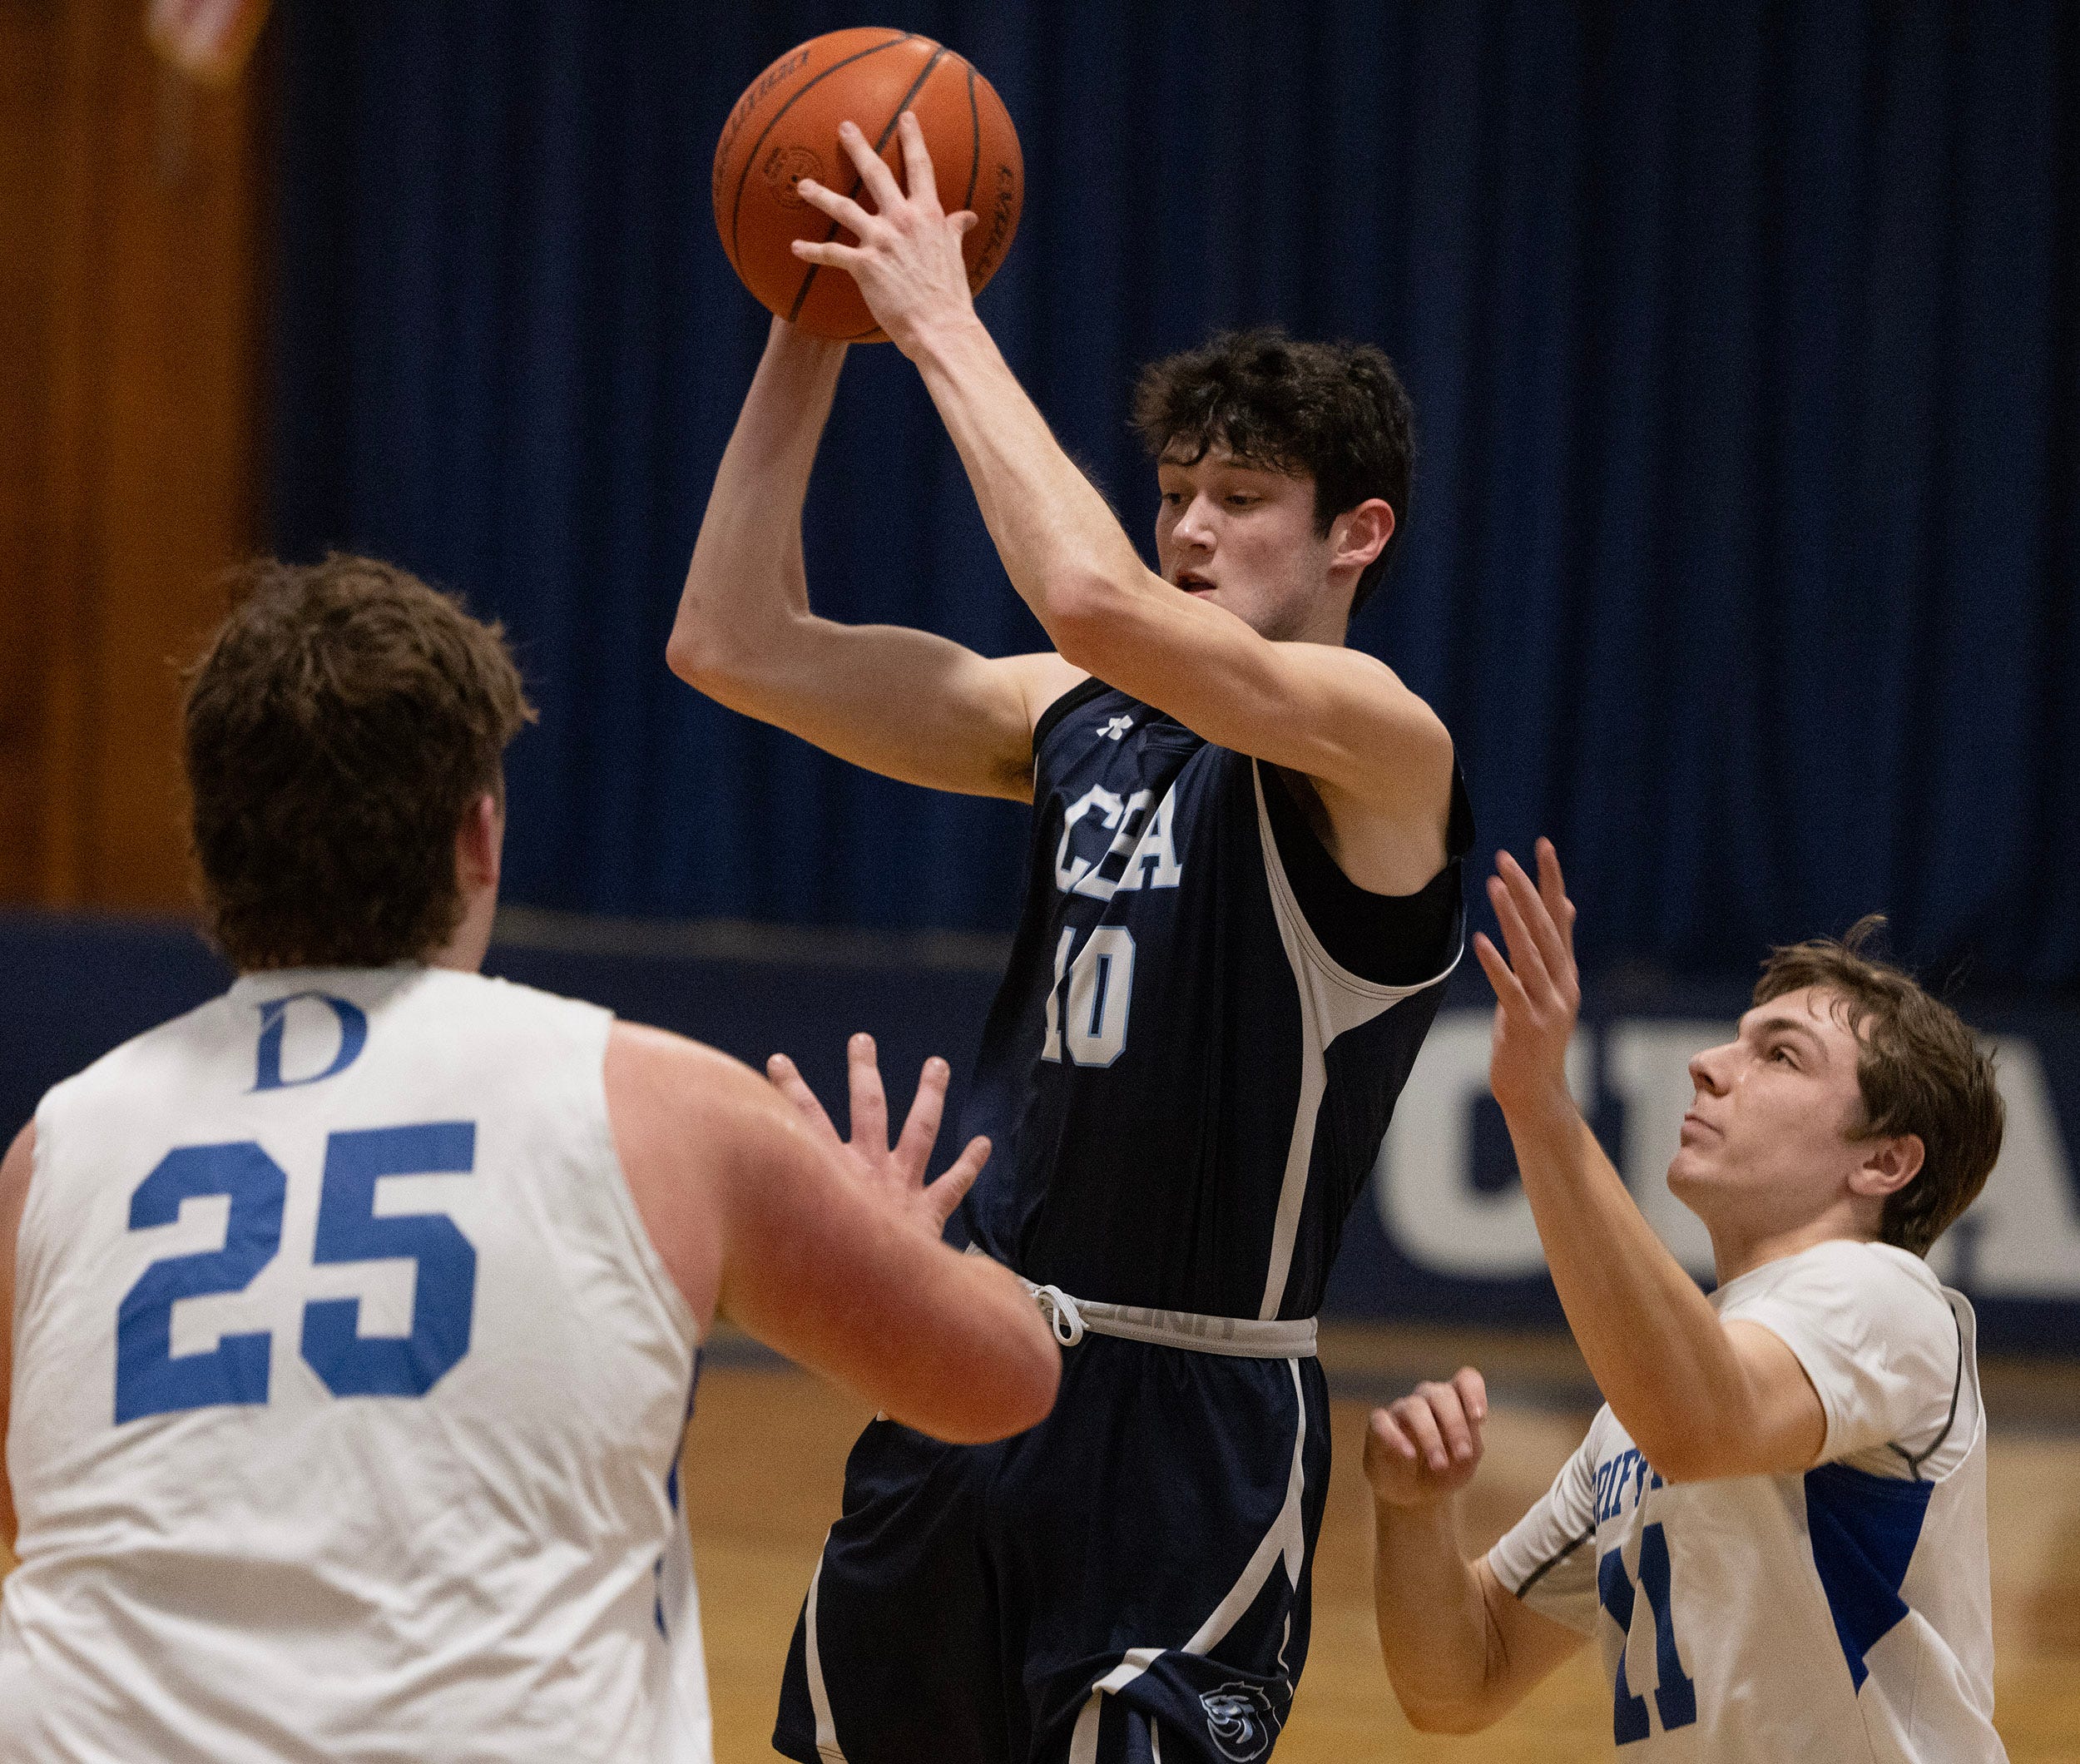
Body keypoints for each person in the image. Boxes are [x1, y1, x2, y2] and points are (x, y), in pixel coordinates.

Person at [671, 115, 1471, 1763]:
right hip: (969, 1353)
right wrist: (808, 323)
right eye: (1171, 494)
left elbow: (1094, 600)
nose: (1186, 528)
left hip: (1188, 1422)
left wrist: (936, 315)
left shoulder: (1384, 747)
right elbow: (730, 637)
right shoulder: (1075, 719)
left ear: (1355, 535)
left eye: (1238, 500)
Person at [0, 554, 1060, 1763]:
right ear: (480, 836)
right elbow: (1000, 1382)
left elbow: (38, 1512)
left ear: (211, 847)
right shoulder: (657, 1101)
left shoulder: (54, 1151)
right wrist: (895, 1242)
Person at [1365, 841, 2006, 1760]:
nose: (1708, 1063)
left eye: (1779, 1054)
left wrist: (1539, 1107)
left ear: (1882, 1160)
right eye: (1734, 1036)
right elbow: (1461, 1677)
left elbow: (1705, 1420)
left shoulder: (1890, 1297)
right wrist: (1413, 1510)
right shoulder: (1632, 1417)